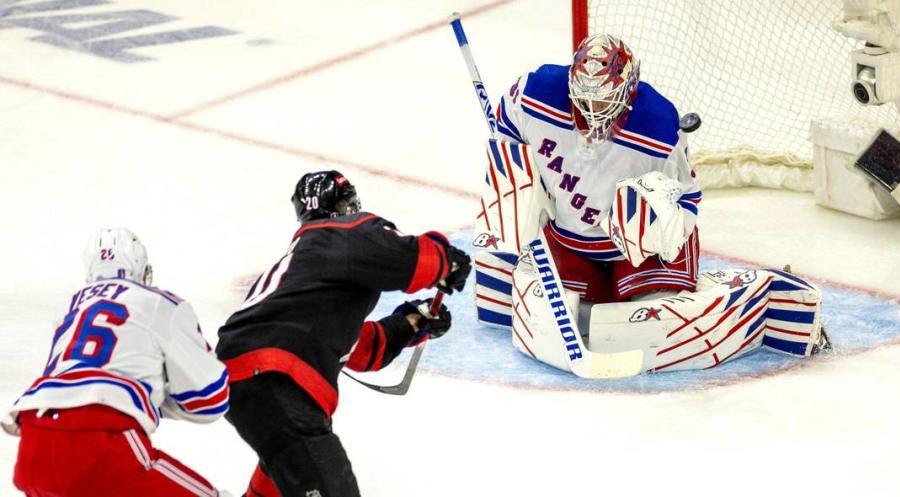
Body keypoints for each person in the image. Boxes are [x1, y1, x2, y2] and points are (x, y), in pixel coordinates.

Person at [216, 170, 472, 497]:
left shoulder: (304, 271)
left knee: (283, 476)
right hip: (277, 379)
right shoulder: (337, 233)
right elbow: (411, 256)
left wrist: (409, 324)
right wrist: (445, 261)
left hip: (245, 378)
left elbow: (351, 347)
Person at [475, 34, 702, 327]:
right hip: (567, 242)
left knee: (650, 323)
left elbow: (687, 197)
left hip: (638, 254)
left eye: (604, 97)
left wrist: (662, 234)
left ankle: (650, 286)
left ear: (629, 89)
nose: (592, 107)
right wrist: (523, 189)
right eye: (584, 96)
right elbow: (506, 136)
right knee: (564, 319)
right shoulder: (535, 92)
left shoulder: (658, 126)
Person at [2, 227, 230, 497]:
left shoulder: (70, 307)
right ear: (143, 270)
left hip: (34, 448)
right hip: (98, 443)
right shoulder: (159, 302)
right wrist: (156, 393)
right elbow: (209, 400)